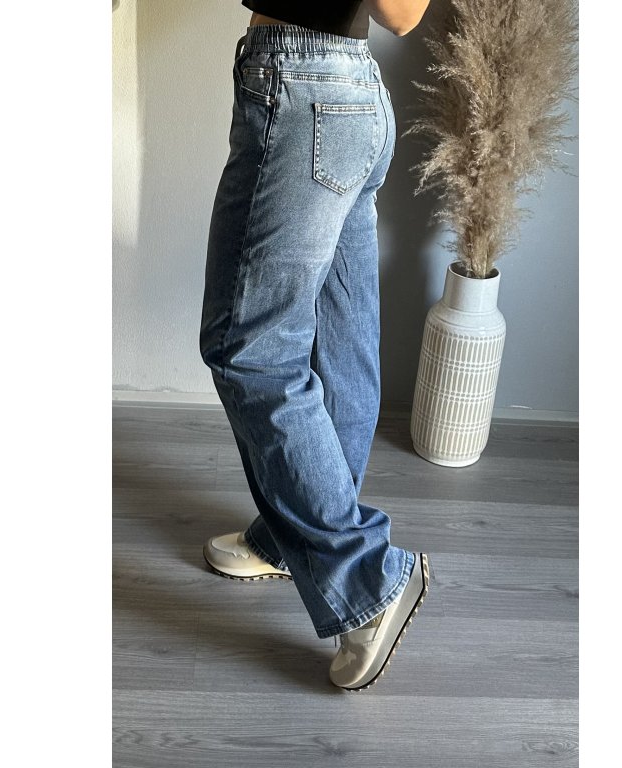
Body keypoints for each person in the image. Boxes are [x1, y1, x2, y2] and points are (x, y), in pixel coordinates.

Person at [197, 0, 433, 691]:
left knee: (251, 349)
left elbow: (402, 11)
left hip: (304, 89)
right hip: (345, 89)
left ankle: (364, 580)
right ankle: (290, 538)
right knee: (340, 339)